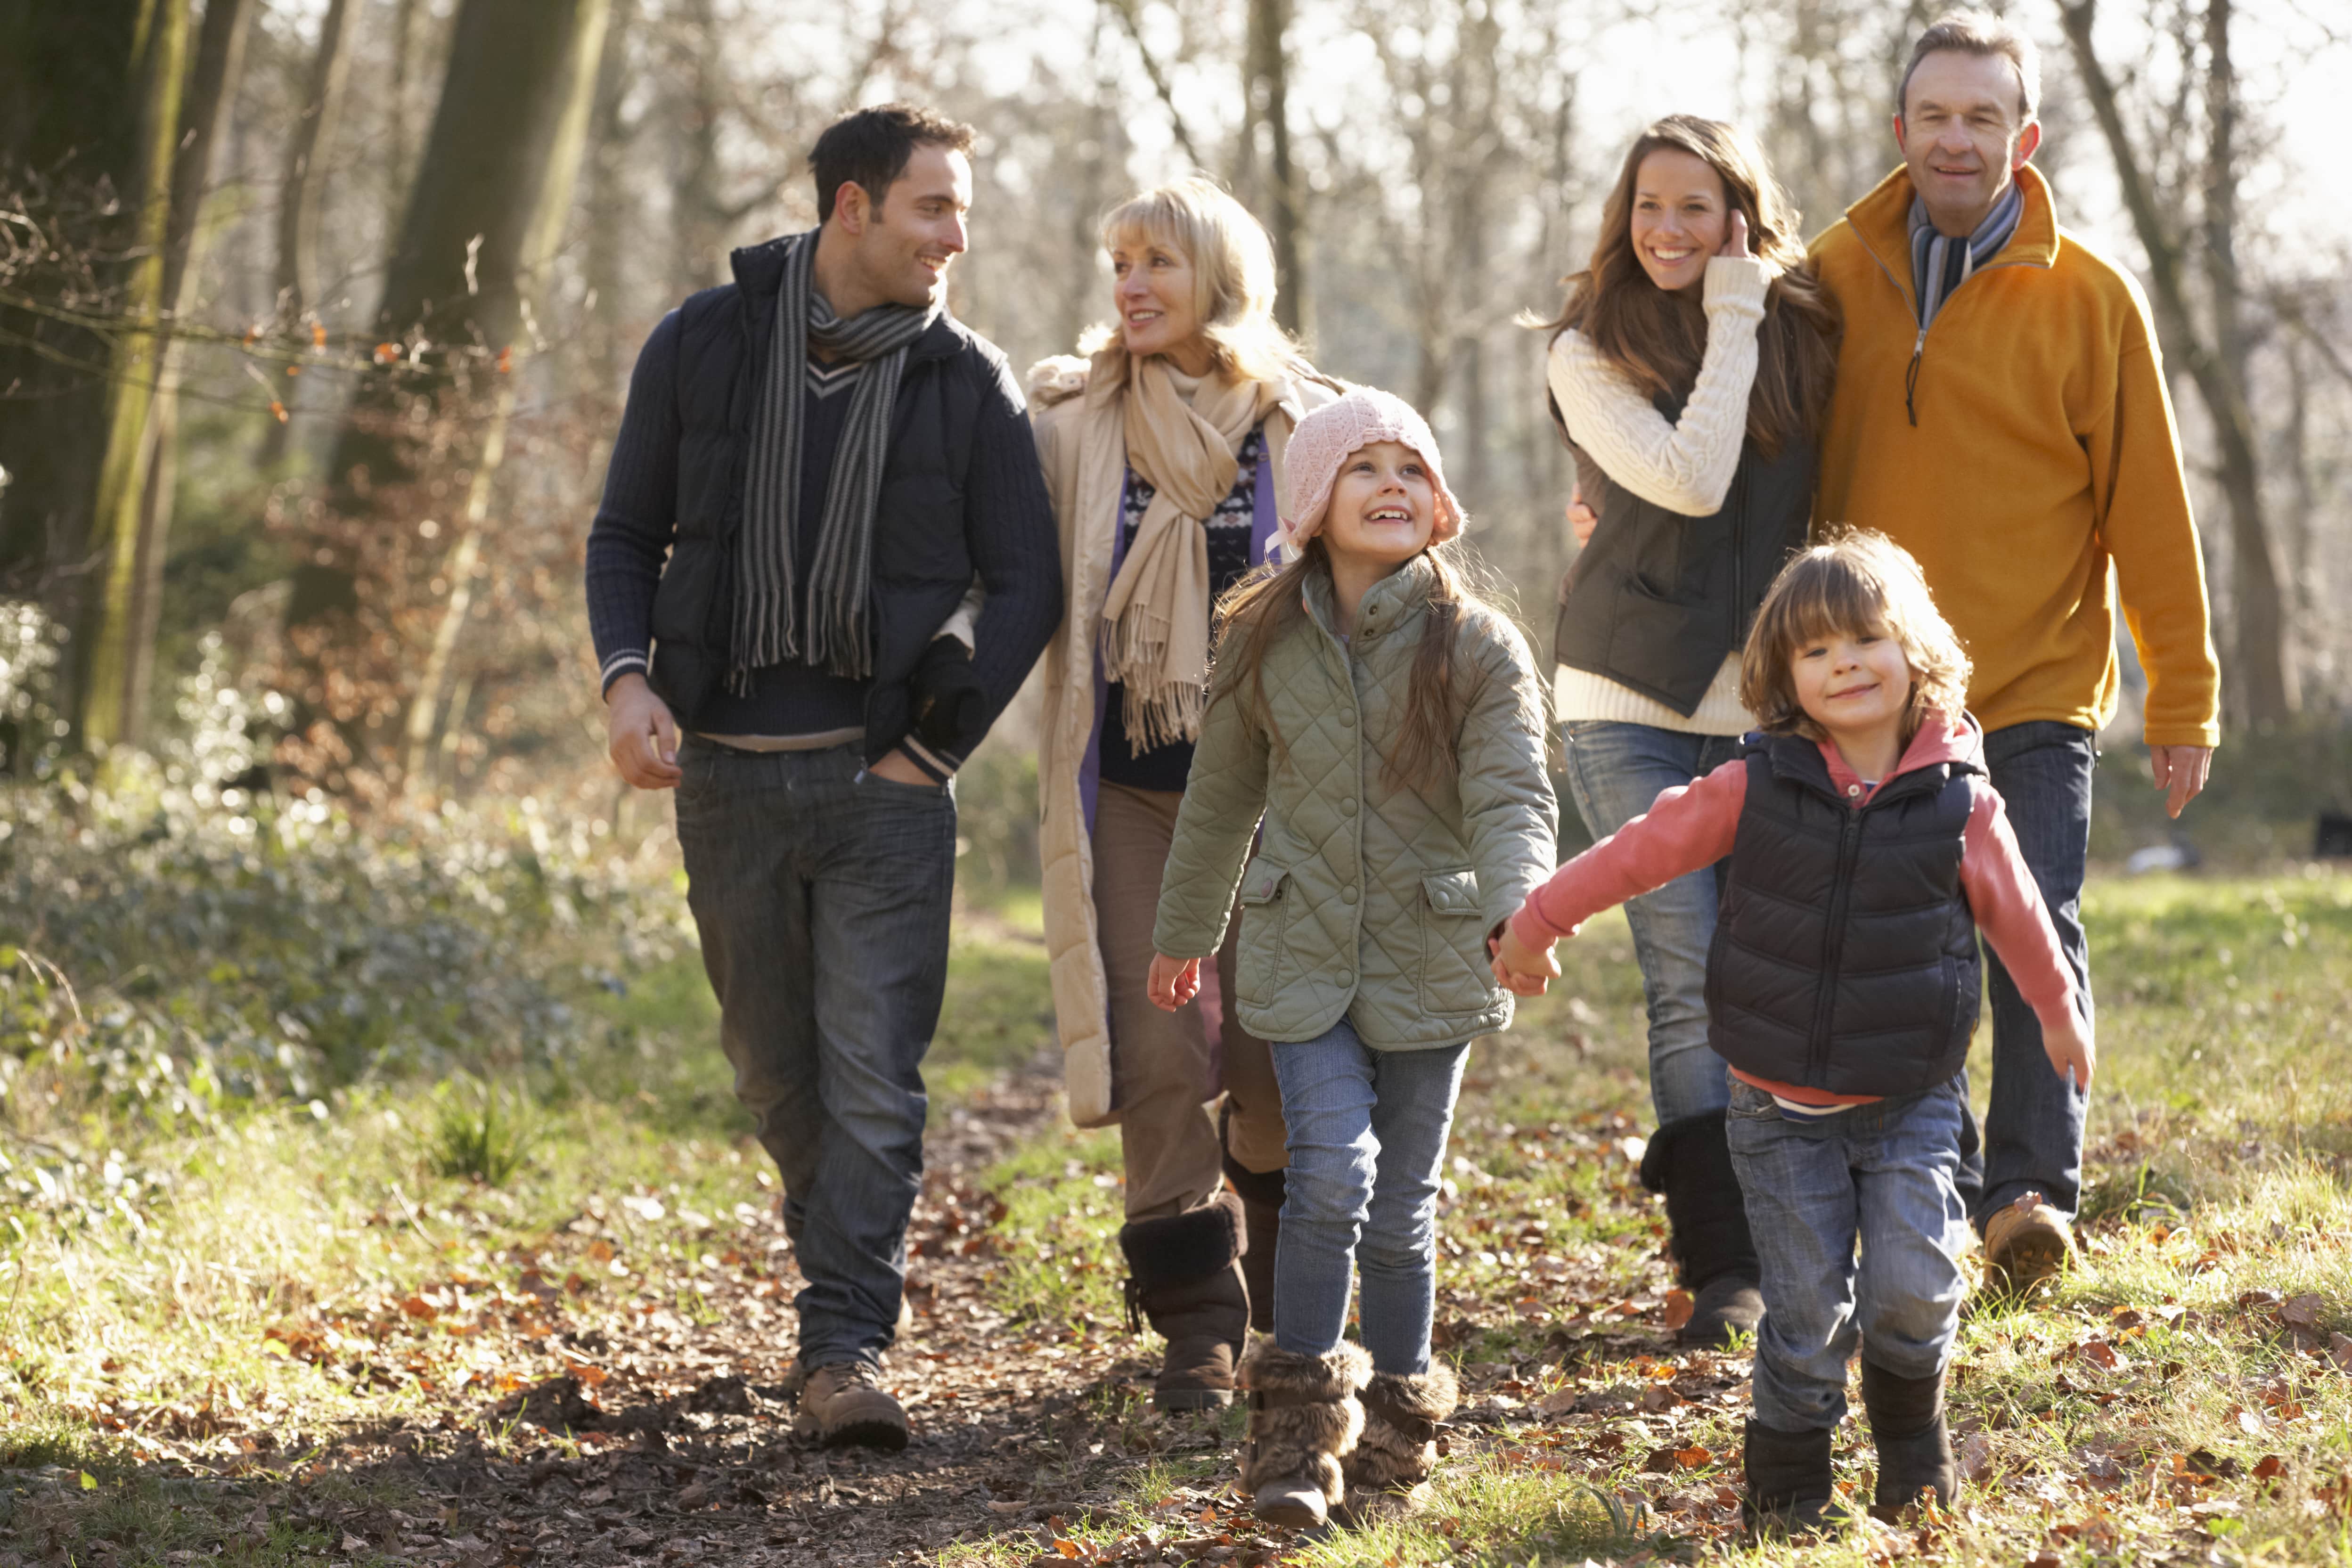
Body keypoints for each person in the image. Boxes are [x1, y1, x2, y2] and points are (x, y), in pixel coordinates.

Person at [585, 103, 1060, 1451]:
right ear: (851, 207)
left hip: (883, 792)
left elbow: (1023, 580)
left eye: (962, 212)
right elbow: (627, 533)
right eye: (932, 209)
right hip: (726, 777)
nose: (955, 239)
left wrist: (934, 748)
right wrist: (629, 680)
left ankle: (841, 1342)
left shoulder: (967, 379)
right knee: (774, 1070)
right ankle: (838, 1279)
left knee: (873, 1076)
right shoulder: (703, 343)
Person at [1495, 533, 2090, 1533]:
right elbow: (1637, 853)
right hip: (1777, 1108)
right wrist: (1539, 917)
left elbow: (2022, 917)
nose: (1846, 662)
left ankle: (1911, 1452)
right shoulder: (1754, 784)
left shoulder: (1960, 802)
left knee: (1912, 1289)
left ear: (1917, 651)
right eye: (1818, 651)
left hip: (1910, 1098)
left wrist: (2062, 1011)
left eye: (1867, 638)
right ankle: (1787, 1497)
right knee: (1806, 1312)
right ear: (1784, 677)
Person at [1810, 12, 2219, 1287]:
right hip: (1875, 693)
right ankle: (1934, 1181)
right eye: (1935, 114)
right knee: (1900, 949)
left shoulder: (2092, 297)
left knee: (2031, 921)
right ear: (1901, 131)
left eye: (1983, 117)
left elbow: (2148, 507)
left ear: (2023, 137)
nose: (1957, 138)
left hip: (2037, 686)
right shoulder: (1830, 276)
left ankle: (2030, 1196)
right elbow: (1752, 445)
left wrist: (2182, 697)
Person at [1147, 389, 1555, 1527]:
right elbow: (1222, 795)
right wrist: (1186, 930)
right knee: (1333, 1170)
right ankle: (1292, 1437)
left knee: (1402, 1205)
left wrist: (1523, 911)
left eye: (1410, 470)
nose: (1390, 486)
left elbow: (1513, 794)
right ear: (1315, 503)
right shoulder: (1263, 635)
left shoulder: (1477, 644)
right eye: (1363, 468)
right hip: (1302, 952)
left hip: (1432, 951)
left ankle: (1396, 1432)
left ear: (1438, 504)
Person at [1027, 180, 1341, 1409]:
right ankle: (1197, 1324)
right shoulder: (1070, 422)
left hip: (1276, 794)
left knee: (1271, 1059)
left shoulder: (1306, 424)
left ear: (1219, 273)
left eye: (1159, 259)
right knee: (1157, 1046)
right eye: (1119, 262)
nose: (1133, 284)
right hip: (1133, 793)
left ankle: (1272, 1287)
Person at [1531, 114, 1840, 1345]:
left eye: (1696, 208)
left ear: (1740, 221)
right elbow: (1694, 477)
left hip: (1762, 703)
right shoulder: (1583, 349)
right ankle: (1726, 1267)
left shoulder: (1805, 334)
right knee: (1689, 970)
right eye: (1649, 205)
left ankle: (1799, 1228)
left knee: (1769, 968)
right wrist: (1734, 314)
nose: (1668, 228)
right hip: (1625, 698)